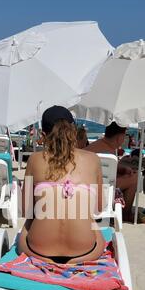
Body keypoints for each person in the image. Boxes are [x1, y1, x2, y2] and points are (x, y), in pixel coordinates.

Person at [18, 105, 105, 263]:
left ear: (43, 135)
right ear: (74, 131)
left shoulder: (34, 160)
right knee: (92, 223)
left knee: (26, 227)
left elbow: (26, 210)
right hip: (85, 252)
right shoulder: (93, 159)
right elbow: (99, 208)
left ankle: (50, 263)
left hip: (38, 252)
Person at [86, 122, 138, 222]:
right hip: (103, 191)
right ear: (119, 137)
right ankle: (126, 214)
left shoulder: (94, 146)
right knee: (134, 178)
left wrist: (121, 168)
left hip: (85, 188)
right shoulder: (110, 153)